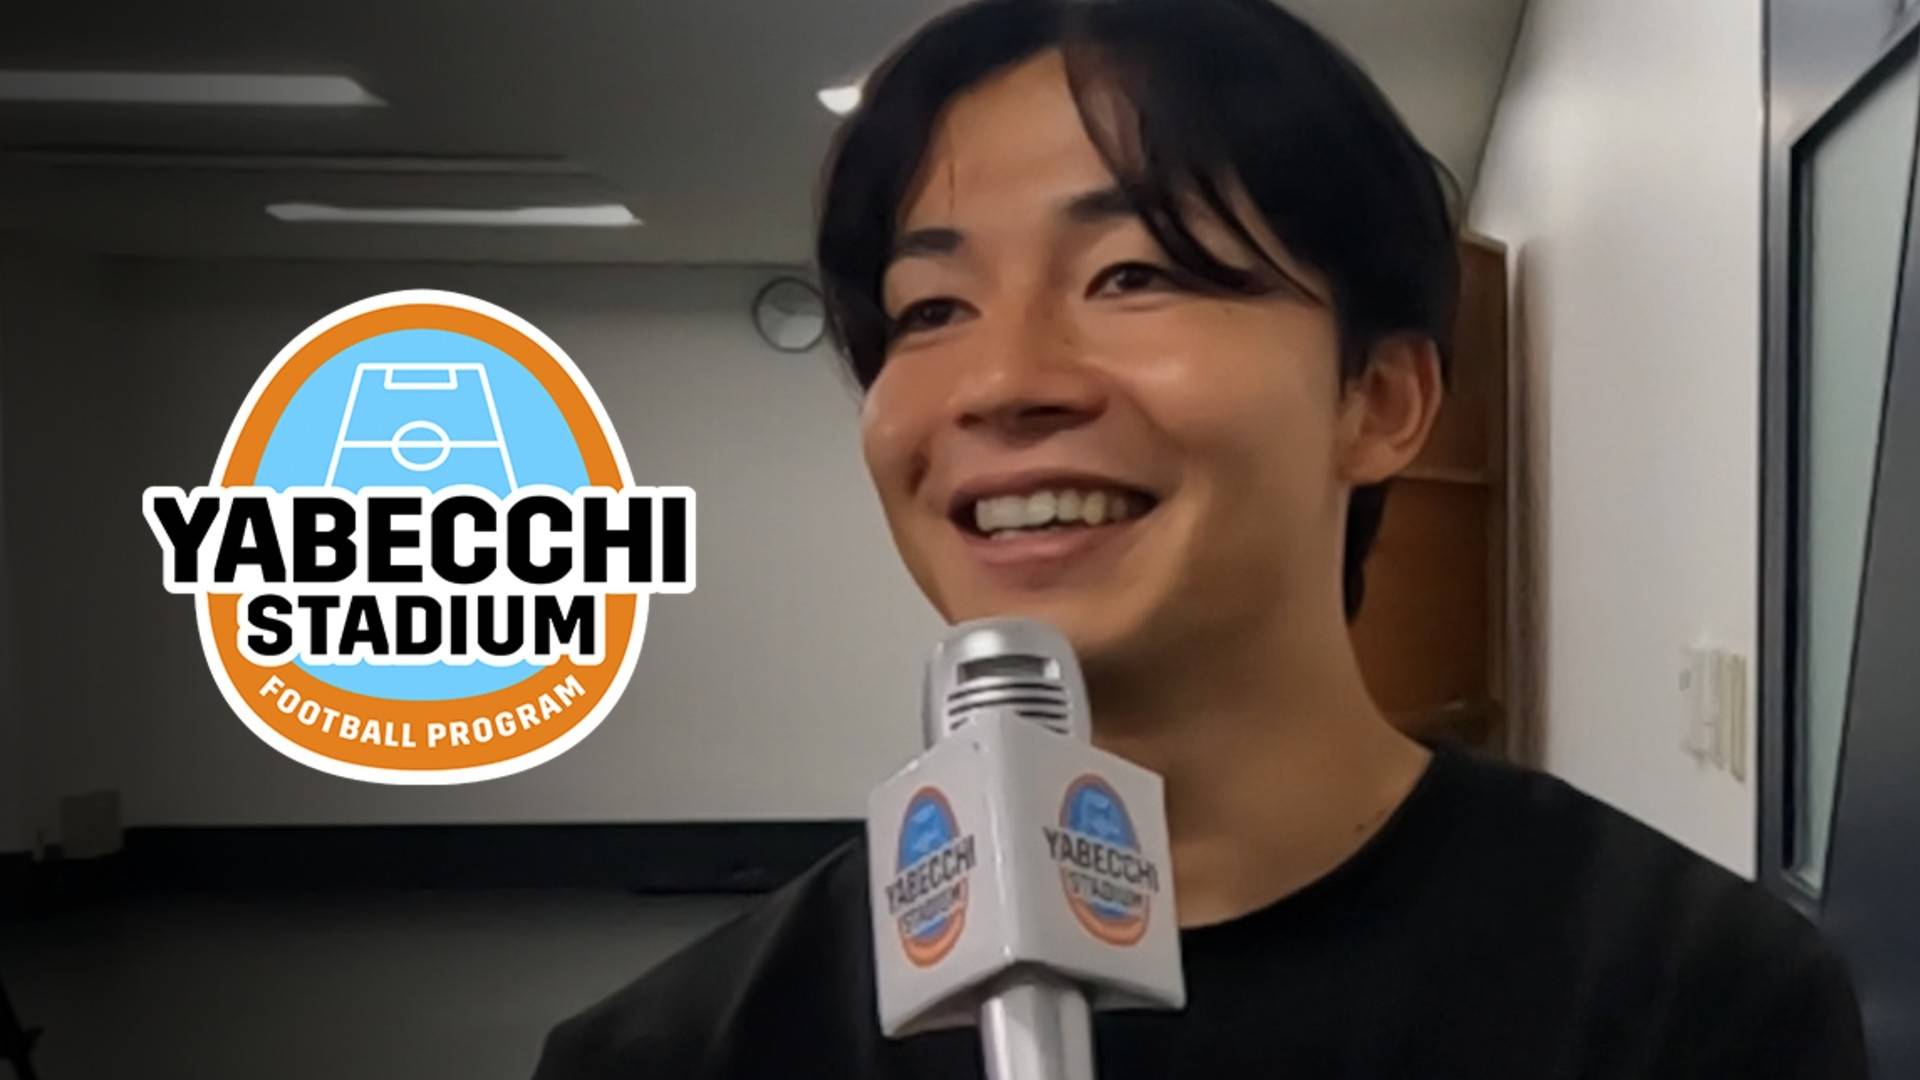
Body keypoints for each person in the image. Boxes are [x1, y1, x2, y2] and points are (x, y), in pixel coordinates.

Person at [532, 0, 1869, 1075]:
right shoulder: (683, 1052)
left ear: (1380, 400)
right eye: (930, 308)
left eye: (1134, 275)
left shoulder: (1691, 1003)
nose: (1003, 383)